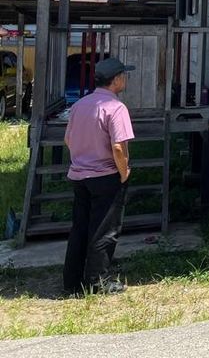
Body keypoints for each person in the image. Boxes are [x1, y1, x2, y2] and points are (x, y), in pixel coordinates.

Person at [62, 57, 136, 295]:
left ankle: (72, 281)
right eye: (123, 75)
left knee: (80, 228)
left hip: (79, 175)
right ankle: (97, 281)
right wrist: (124, 173)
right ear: (115, 80)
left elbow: (67, 139)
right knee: (104, 230)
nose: (125, 79)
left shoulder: (81, 105)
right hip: (106, 175)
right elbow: (118, 147)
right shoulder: (116, 108)